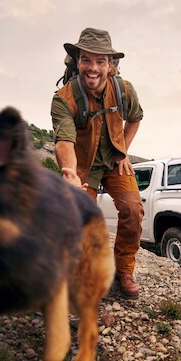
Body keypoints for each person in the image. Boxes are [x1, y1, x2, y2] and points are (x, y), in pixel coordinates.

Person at [51, 28, 144, 299]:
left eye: (100, 61)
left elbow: (135, 118)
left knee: (133, 210)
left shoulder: (124, 90)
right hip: (81, 167)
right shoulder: (63, 98)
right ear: (77, 60)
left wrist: (123, 149)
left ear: (111, 65)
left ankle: (124, 270)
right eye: (87, 60)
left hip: (115, 160)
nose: (93, 68)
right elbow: (64, 142)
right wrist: (69, 173)